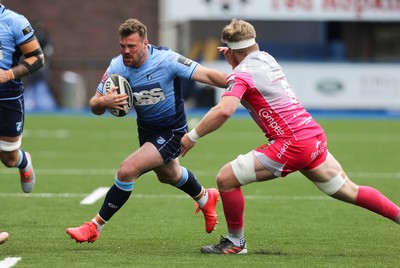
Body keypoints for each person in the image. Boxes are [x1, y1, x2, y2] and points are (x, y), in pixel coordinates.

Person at [180, 19, 400, 254]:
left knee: (225, 178)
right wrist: (227, 60)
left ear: (232, 52)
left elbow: (224, 110)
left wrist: (192, 136)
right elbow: (232, 79)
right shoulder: (266, 59)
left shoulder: (242, 74)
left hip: (291, 143)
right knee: (348, 190)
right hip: (313, 136)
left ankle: (235, 243)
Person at [66, 18, 227, 243]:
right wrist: (105, 102)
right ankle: (205, 197)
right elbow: (94, 104)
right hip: (146, 130)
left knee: (127, 170)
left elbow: (207, 75)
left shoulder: (167, 60)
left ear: (145, 43)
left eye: (131, 46)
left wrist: (238, 83)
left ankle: (94, 227)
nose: (126, 51)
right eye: (122, 46)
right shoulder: (116, 66)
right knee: (169, 175)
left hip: (172, 130)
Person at [0, 2, 44, 193]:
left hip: (7, 98)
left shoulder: (14, 21)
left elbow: (37, 58)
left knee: (8, 158)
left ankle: (23, 160)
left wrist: (8, 74)